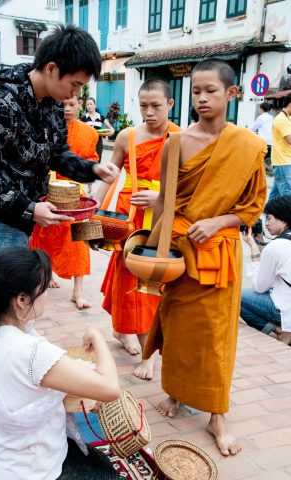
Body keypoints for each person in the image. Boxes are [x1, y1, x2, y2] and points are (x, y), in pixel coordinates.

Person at [143, 60, 267, 456]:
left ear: (232, 94)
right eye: (196, 91)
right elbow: (165, 199)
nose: (201, 99)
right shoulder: (176, 142)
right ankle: (176, 395)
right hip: (180, 251)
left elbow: (252, 206)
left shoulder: (248, 146)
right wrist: (151, 249)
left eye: (210, 91)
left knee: (216, 337)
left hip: (220, 255)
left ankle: (217, 416)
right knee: (177, 328)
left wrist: (217, 222)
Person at [0, 25, 118, 266]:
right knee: (15, 296)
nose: (75, 94)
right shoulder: (2, 102)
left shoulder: (52, 103)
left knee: (16, 294)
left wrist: (92, 170)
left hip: (25, 215)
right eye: (75, 83)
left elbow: (57, 154)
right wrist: (28, 207)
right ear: (51, 68)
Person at [0, 247, 120, 479]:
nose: (48, 294)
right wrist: (97, 336)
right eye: (44, 287)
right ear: (22, 299)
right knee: (103, 470)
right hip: (30, 469)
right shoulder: (31, 352)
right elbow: (110, 388)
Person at [97, 78, 181, 380]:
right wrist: (90, 211)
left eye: (156, 106)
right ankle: (141, 346)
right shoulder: (126, 136)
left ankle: (136, 338)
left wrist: (160, 196)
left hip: (163, 217)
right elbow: (110, 175)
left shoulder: (182, 138)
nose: (148, 112)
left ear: (170, 104)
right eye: (143, 105)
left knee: (155, 282)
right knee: (129, 282)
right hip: (129, 216)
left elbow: (189, 187)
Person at [30, 95, 99, 308]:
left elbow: (92, 160)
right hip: (49, 191)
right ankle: (46, 275)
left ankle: (78, 291)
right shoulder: (44, 126)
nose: (67, 109)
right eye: (62, 105)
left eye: (71, 104)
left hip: (76, 195)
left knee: (80, 242)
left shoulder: (90, 132)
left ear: (80, 104)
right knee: (44, 236)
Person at [240, 196, 291, 345]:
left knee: (237, 296)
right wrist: (260, 239)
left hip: (285, 308)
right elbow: (277, 261)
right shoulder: (281, 244)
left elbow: (259, 286)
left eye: (269, 218)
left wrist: (254, 249)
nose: (266, 223)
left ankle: (280, 331)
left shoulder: (276, 247)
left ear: (283, 220)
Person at [269, 93, 291, 200]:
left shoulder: (288, 118)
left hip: (284, 162)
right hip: (283, 162)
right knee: (288, 196)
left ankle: (267, 215)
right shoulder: (281, 119)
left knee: (275, 196)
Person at [251, 101, 273, 175]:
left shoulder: (260, 118)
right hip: (271, 142)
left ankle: (267, 170)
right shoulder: (271, 117)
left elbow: (253, 129)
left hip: (263, 142)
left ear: (261, 109)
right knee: (266, 158)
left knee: (258, 158)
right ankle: (268, 169)